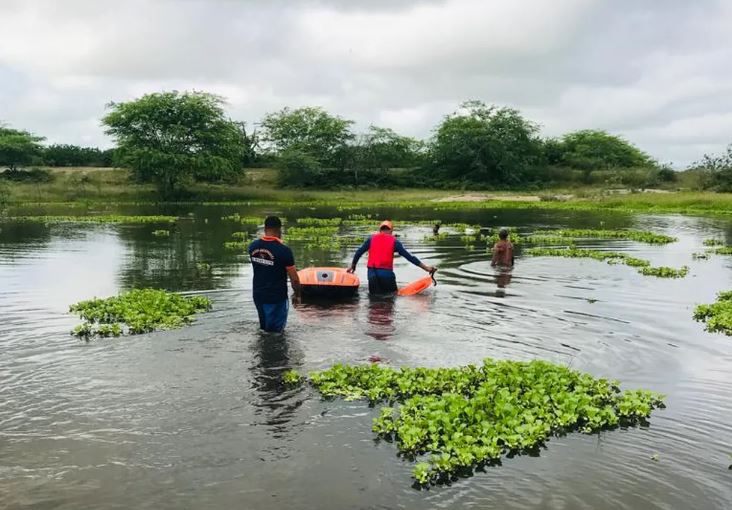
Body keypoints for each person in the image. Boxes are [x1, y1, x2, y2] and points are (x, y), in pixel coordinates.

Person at [347, 220, 436, 294]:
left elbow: (358, 252)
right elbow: (410, 257)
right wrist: (426, 268)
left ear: (380, 230)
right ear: (391, 231)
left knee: (374, 301)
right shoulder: (394, 242)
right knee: (391, 298)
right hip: (387, 275)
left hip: (372, 275)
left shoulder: (371, 239)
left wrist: (353, 266)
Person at [248, 216, 300, 333]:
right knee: (277, 333)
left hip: (258, 295)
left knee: (264, 328)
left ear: (265, 228)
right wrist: (297, 294)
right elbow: (294, 279)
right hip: (276, 298)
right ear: (279, 230)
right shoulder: (284, 251)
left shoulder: (253, 247)